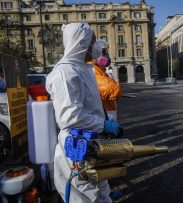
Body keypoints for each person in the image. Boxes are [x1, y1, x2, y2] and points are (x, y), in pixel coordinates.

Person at [46, 23, 121, 202]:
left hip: (92, 142)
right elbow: (69, 117)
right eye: (93, 41)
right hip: (78, 146)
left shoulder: (81, 68)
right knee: (87, 194)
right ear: (81, 42)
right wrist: (104, 125)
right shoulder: (66, 73)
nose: (96, 46)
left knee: (101, 188)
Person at [92, 40, 122, 121]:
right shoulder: (93, 69)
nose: (106, 55)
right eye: (104, 51)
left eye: (106, 52)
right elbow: (113, 90)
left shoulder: (99, 69)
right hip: (104, 113)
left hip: (108, 110)